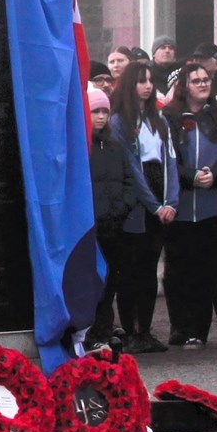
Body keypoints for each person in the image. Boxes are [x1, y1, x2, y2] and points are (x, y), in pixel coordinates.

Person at [164, 62, 217, 349]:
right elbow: (166, 159)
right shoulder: (170, 117)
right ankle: (194, 331)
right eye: (196, 80)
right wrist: (191, 177)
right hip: (184, 208)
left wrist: (216, 175)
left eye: (206, 79)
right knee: (191, 273)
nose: (203, 84)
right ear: (184, 86)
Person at [109, 61, 178, 354]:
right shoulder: (120, 122)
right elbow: (131, 168)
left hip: (159, 192)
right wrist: (152, 204)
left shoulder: (159, 119)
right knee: (130, 269)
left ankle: (146, 330)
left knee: (149, 269)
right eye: (141, 81)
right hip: (136, 201)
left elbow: (171, 161)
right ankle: (130, 329)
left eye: (150, 80)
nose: (147, 86)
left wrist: (171, 201)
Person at [87, 87, 138, 349]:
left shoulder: (115, 147)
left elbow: (130, 181)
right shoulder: (81, 147)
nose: (101, 116)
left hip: (114, 225)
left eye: (105, 111)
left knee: (110, 282)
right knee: (91, 282)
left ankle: (104, 331)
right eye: (96, 111)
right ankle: (91, 333)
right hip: (90, 227)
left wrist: (123, 207)